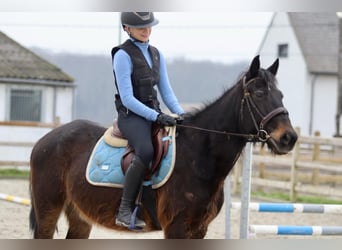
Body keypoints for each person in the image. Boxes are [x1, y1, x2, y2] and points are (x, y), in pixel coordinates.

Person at [111, 12, 185, 229]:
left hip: (154, 113)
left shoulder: (156, 54)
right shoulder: (122, 55)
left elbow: (167, 92)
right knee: (145, 150)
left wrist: (182, 115)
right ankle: (124, 210)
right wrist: (156, 116)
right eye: (140, 27)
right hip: (131, 116)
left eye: (149, 26)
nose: (146, 30)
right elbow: (127, 98)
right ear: (127, 28)